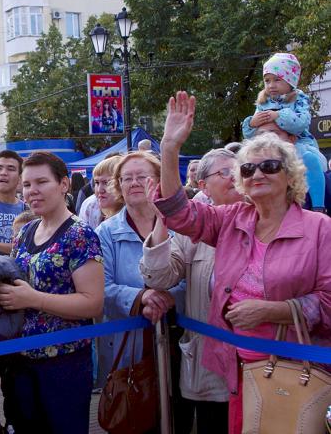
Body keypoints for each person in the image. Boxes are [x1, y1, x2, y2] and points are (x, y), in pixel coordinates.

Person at [156, 91, 331, 434]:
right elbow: (179, 213)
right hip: (236, 369)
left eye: (269, 166)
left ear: (291, 176)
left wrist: (271, 310)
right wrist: (169, 149)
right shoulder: (231, 219)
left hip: (296, 369)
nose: (257, 174)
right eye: (248, 168)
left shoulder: (320, 229)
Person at [0, 151, 104, 434]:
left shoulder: (80, 234)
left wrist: (34, 299)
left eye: (42, 182)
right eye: (28, 184)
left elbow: (93, 303)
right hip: (21, 360)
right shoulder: (25, 232)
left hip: (63, 362)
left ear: (64, 185)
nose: (33, 191)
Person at [140, 148, 243, 434]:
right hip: (210, 370)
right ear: (203, 185)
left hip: (259, 365)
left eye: (239, 171)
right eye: (224, 173)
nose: (235, 178)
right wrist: (162, 220)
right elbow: (159, 277)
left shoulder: (266, 224)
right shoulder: (192, 233)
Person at [96, 151, 186, 389]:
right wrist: (141, 297)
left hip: (179, 335)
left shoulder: (182, 225)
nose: (134, 182)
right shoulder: (105, 232)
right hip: (127, 343)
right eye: (127, 178)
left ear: (157, 181)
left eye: (141, 176)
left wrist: (168, 298)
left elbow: (195, 278)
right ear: (119, 185)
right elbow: (100, 288)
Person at [242, 53, 326, 211]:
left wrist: (279, 115)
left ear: (290, 81)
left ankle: (318, 205)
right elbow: (250, 135)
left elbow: (301, 123)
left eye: (277, 79)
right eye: (267, 80)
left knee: (309, 159)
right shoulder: (262, 102)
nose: (271, 85)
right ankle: (252, 201)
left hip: (297, 142)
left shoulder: (298, 98)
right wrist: (251, 124)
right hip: (269, 147)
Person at [78, 155, 123, 230]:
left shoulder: (135, 216)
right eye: (97, 182)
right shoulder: (90, 205)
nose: (99, 190)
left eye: (106, 183)